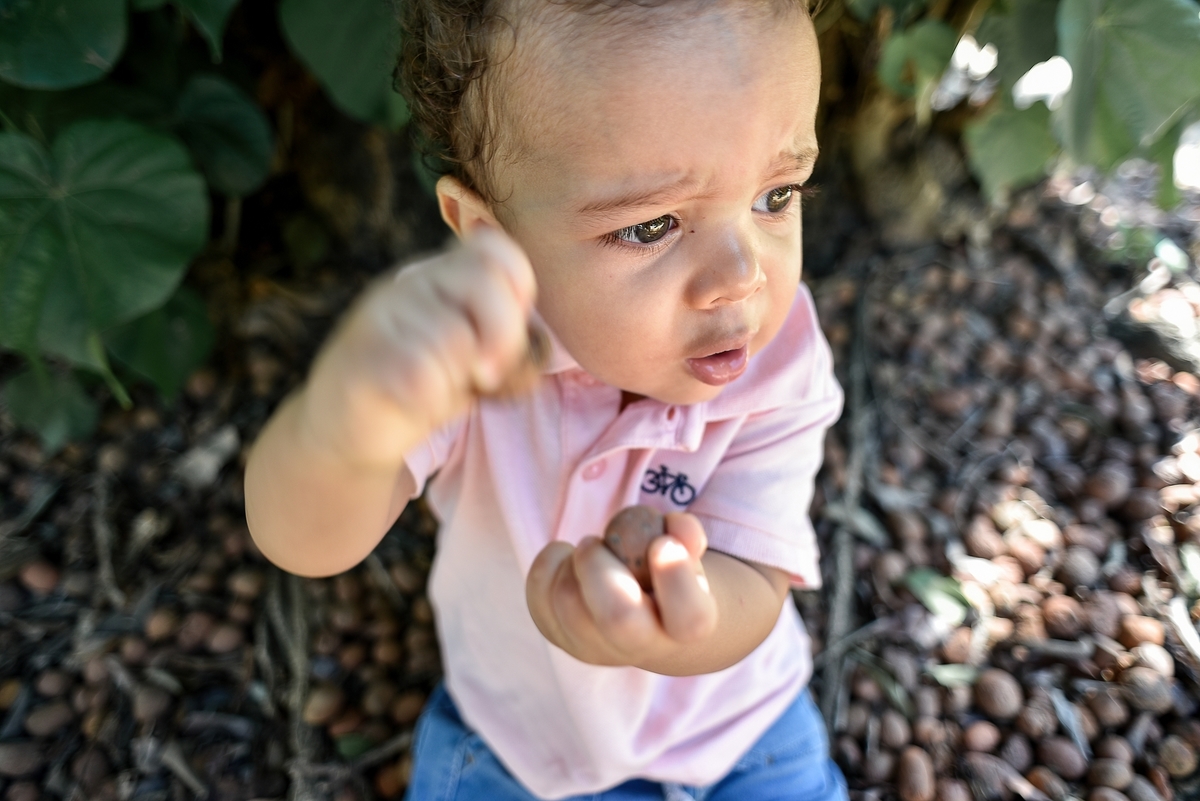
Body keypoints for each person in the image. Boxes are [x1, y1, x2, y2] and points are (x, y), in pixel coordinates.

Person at [244, 0, 847, 798]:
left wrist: (674, 624)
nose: (743, 276)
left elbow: (756, 576)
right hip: (517, 744)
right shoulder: (461, 341)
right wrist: (342, 429)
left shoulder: (779, 358)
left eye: (776, 196)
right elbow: (306, 543)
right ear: (489, 235)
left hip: (739, 728)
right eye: (652, 225)